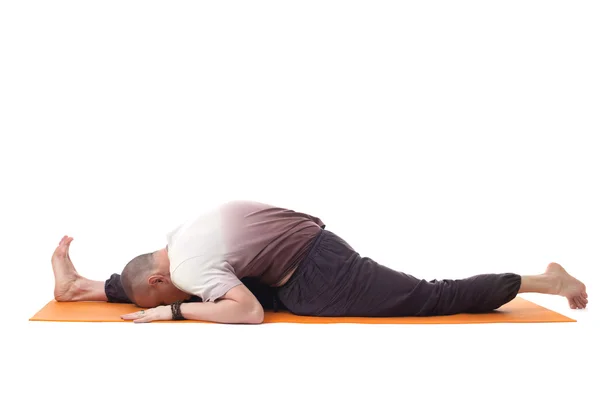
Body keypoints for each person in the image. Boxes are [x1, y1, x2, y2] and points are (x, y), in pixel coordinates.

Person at [50, 200, 588, 324]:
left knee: (432, 296)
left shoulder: (185, 275)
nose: (173, 294)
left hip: (319, 271)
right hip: (302, 247)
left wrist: (173, 313)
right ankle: (84, 288)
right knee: (209, 289)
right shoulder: (178, 236)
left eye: (163, 292)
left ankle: (544, 280)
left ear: (164, 276)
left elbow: (249, 315)